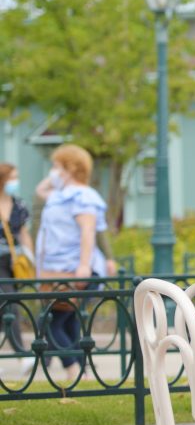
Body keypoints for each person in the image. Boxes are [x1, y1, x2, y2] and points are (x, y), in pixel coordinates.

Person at [35, 144, 108, 378]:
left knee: (50, 322)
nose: (52, 170)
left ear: (70, 168)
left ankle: (73, 368)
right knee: (67, 322)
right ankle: (81, 371)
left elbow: (88, 231)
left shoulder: (83, 196)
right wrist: (56, 177)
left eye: (57, 166)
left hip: (76, 269)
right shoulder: (59, 195)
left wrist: (83, 267)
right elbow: (40, 190)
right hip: (56, 269)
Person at [0, 163, 33, 359]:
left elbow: (23, 233)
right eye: (13, 177)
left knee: (9, 306)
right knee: (10, 304)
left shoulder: (18, 204)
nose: (15, 181)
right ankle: (21, 353)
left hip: (14, 262)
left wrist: (30, 256)